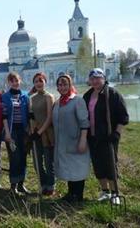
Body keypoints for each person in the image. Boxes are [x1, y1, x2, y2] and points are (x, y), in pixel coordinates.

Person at [83, 68, 129, 204]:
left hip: (108, 136)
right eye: (92, 78)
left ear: (103, 78)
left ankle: (115, 193)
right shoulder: (88, 95)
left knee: (110, 164)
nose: (95, 81)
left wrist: (116, 133)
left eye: (98, 78)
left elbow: (123, 116)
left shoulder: (113, 94)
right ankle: (105, 191)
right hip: (93, 136)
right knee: (97, 164)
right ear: (90, 80)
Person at [52, 74, 90, 203]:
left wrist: (83, 140)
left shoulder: (77, 101)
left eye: (65, 84)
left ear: (70, 86)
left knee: (78, 168)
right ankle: (71, 193)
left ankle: (78, 196)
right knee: (69, 169)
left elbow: (84, 122)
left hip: (77, 140)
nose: (62, 87)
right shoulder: (58, 103)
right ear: (57, 87)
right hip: (63, 142)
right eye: (60, 85)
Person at [2, 72, 30, 194]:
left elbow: (29, 114)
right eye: (12, 81)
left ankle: (21, 184)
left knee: (23, 157)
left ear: (20, 81)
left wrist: (29, 130)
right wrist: (7, 134)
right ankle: (13, 186)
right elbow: (4, 117)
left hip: (23, 131)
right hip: (11, 132)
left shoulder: (25, 95)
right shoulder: (5, 97)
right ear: (9, 83)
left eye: (17, 80)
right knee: (14, 158)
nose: (15, 83)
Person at [28, 72, 55, 196]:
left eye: (41, 81)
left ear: (45, 82)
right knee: (37, 162)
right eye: (36, 81)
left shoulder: (49, 97)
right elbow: (32, 117)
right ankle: (43, 184)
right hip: (36, 133)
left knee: (49, 162)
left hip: (47, 134)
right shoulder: (32, 98)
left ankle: (50, 185)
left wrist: (40, 132)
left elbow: (49, 117)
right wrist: (33, 130)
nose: (38, 83)